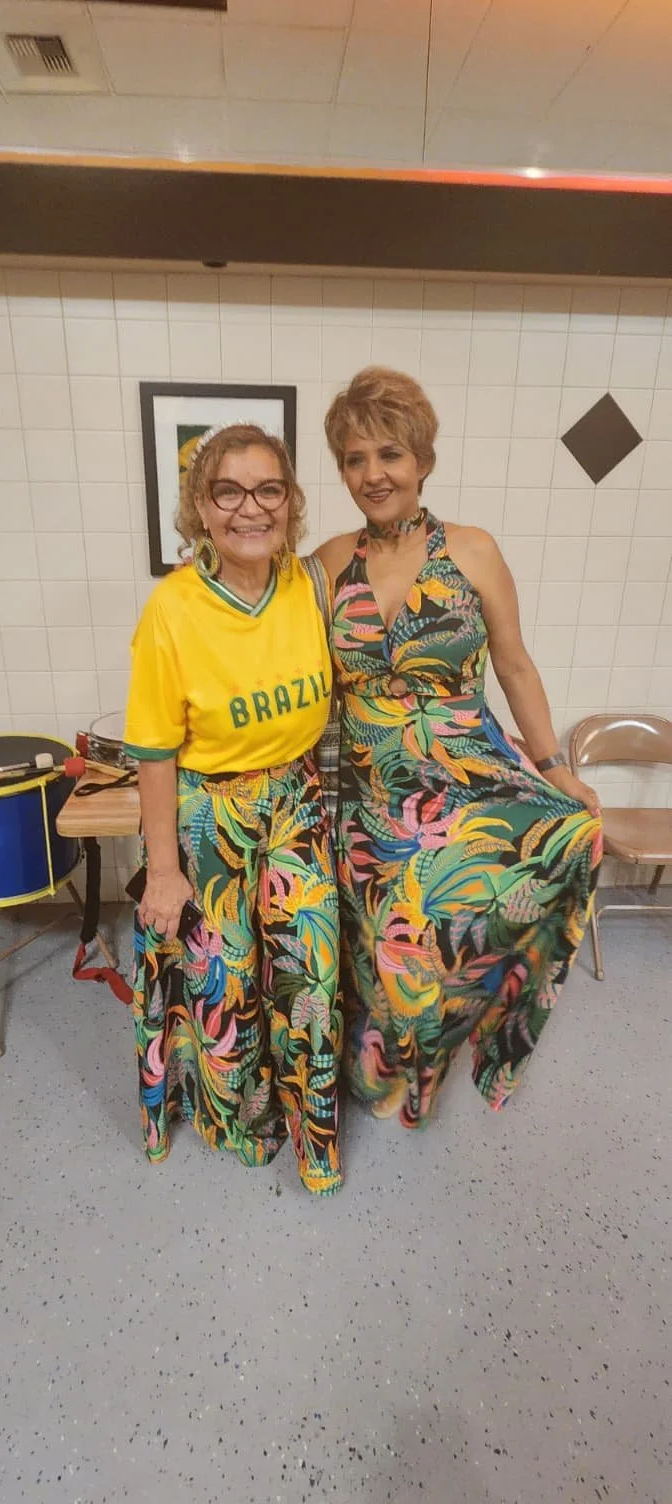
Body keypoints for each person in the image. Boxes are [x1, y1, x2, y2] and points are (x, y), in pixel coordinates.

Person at [314, 366, 602, 1128]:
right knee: (393, 952)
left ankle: (437, 1056)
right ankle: (387, 1071)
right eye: (353, 459)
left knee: (510, 881)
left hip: (469, 776)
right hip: (376, 791)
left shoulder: (471, 550)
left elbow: (512, 664)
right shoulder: (324, 562)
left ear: (422, 461)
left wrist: (553, 768)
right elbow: (292, 674)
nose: (372, 475)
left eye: (388, 455)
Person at [124, 424, 342, 1196]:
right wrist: (163, 871)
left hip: (295, 800)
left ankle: (311, 1128)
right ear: (200, 508)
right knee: (229, 985)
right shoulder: (172, 610)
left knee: (312, 974)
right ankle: (239, 1125)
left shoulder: (307, 583)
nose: (250, 508)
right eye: (228, 491)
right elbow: (154, 750)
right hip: (207, 813)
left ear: (290, 502)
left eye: (268, 489)